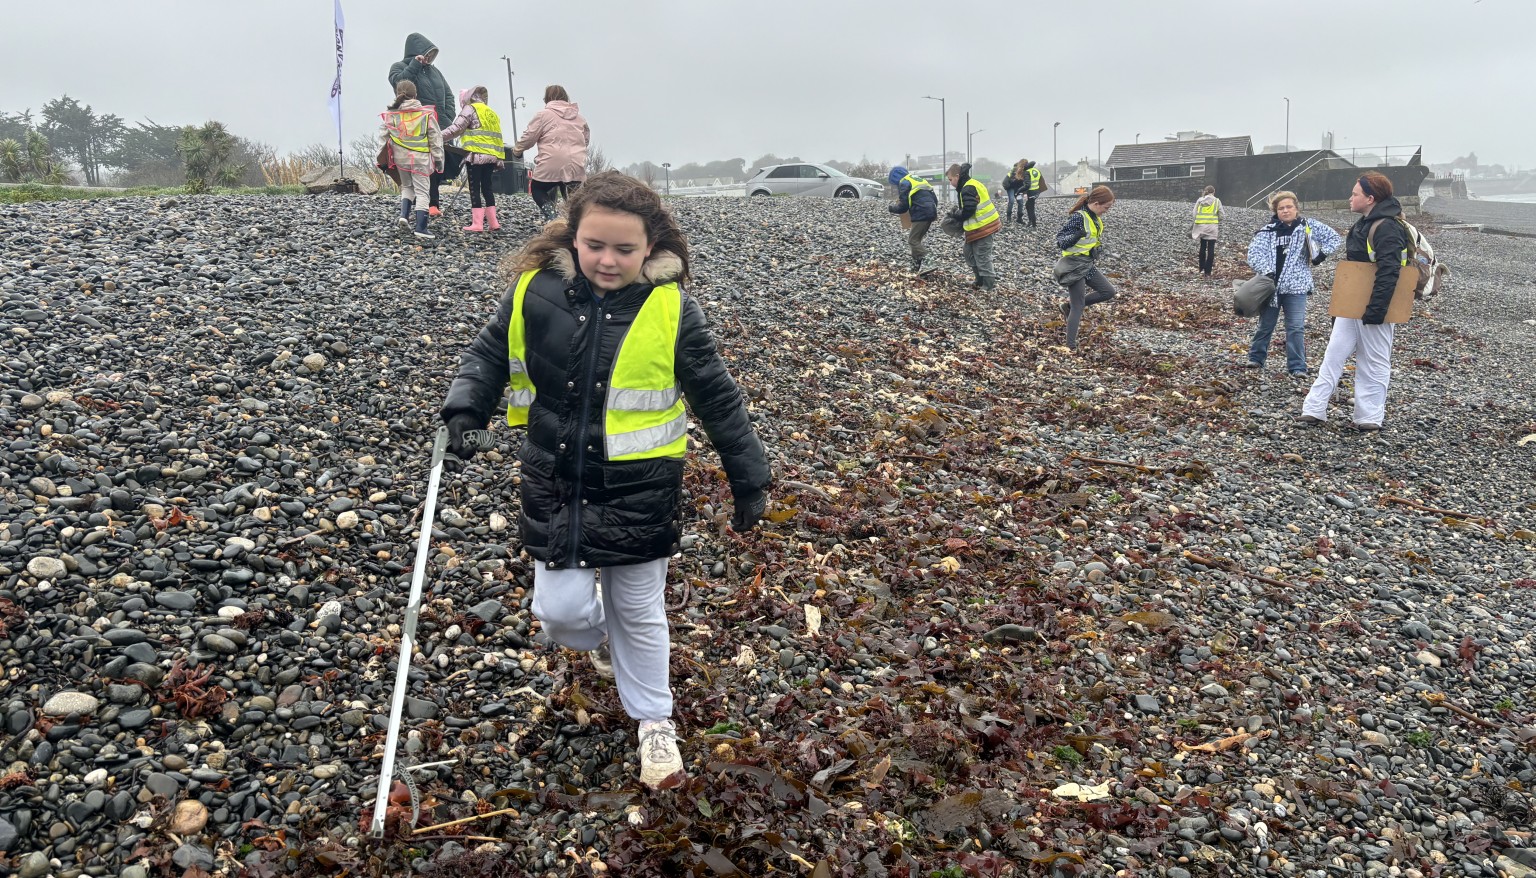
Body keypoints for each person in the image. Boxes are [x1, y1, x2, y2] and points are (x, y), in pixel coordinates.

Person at [438, 171, 771, 789]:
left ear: (651, 246)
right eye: (595, 245)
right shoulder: (535, 291)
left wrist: (748, 478)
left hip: (642, 487)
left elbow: (719, 399)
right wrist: (465, 411)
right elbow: (489, 351)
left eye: (625, 248)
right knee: (560, 614)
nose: (608, 260)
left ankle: (655, 722)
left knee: (639, 609)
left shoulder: (673, 310)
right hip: (556, 479)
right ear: (572, 235)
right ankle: (608, 645)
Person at [1298, 172, 1408, 431]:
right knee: (1334, 354)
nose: (1350, 198)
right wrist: (1343, 308)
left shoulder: (1388, 227)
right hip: (1353, 306)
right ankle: (1314, 409)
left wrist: (1377, 310)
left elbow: (1390, 271)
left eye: (1355, 194)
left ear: (1370, 198)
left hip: (1376, 307)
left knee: (1375, 361)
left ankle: (1369, 417)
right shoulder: (1365, 223)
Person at [1244, 190, 1342, 376]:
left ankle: (1297, 366)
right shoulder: (1267, 231)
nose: (1285, 211)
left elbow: (1334, 238)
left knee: (1296, 327)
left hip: (1297, 287)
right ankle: (1256, 358)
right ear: (1276, 211)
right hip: (1270, 287)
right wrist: (1268, 271)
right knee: (1266, 324)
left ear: (1296, 208)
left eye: (1289, 207)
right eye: (1281, 208)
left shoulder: (1308, 226)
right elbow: (1254, 254)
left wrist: (1320, 255)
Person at [388, 33, 455, 217]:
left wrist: (448, 115)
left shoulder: (435, 72)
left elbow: (449, 95)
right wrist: (415, 65)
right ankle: (424, 204)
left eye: (432, 55)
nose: (429, 58)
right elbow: (398, 83)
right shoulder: (399, 66)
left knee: (437, 162)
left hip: (439, 123)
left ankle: (431, 203)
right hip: (414, 125)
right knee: (422, 165)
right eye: (427, 54)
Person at [1053, 185, 1118, 351]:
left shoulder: (1095, 218)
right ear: (1096, 203)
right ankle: (1070, 346)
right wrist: (1075, 235)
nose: (1106, 210)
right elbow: (1060, 241)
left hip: (1087, 264)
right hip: (1073, 266)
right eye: (1106, 207)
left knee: (1108, 292)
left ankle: (1067, 307)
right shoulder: (1078, 218)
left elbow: (1091, 240)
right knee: (1078, 306)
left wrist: (1097, 249)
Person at [513, 85, 591, 222]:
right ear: (566, 98)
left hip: (551, 163)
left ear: (547, 99)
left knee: (537, 189)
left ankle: (552, 216)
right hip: (576, 165)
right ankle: (575, 224)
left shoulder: (543, 115)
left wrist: (517, 150)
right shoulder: (580, 118)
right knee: (573, 199)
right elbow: (586, 140)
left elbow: (529, 137)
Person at [380, 80, 444, 240]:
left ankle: (404, 215)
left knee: (406, 187)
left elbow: (382, 139)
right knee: (423, 193)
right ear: (416, 95)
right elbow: (436, 139)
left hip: (401, 159)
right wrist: (438, 160)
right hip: (420, 160)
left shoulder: (391, 116)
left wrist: (381, 160)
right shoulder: (426, 114)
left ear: (397, 94)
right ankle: (421, 227)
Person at [440, 86, 505, 233]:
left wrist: (435, 136)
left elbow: (455, 129)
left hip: (476, 156)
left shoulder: (470, 109)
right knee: (487, 188)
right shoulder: (490, 112)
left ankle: (477, 223)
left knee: (475, 188)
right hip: (492, 156)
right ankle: (494, 222)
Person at [945, 163, 1001, 290]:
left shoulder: (967, 188)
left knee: (982, 255)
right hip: (976, 227)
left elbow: (969, 210)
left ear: (957, 176)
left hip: (984, 226)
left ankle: (988, 284)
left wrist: (956, 215)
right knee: (969, 252)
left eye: (950, 180)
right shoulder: (969, 184)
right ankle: (979, 280)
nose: (950, 183)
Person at [887, 166, 938, 274]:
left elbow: (903, 206)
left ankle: (929, 260)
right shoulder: (918, 180)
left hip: (921, 213)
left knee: (912, 240)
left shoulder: (904, 182)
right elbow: (934, 199)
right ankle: (918, 266)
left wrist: (892, 208)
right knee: (916, 240)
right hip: (930, 211)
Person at [1192, 185, 1222, 277]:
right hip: (1212, 227)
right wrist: (1216, 220)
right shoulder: (1217, 201)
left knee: (1202, 247)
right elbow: (1222, 215)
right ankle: (1208, 272)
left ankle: (1201, 268)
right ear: (1214, 192)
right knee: (1211, 249)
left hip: (1201, 227)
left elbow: (1194, 214)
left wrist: (1198, 222)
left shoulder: (1200, 200)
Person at [1021, 159, 1046, 227]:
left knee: (1031, 207)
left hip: (1030, 192)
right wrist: (1039, 191)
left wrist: (1025, 193)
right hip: (1036, 191)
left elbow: (1026, 184)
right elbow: (1041, 181)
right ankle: (1030, 221)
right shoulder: (1037, 171)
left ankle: (1033, 224)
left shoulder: (1027, 172)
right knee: (1028, 205)